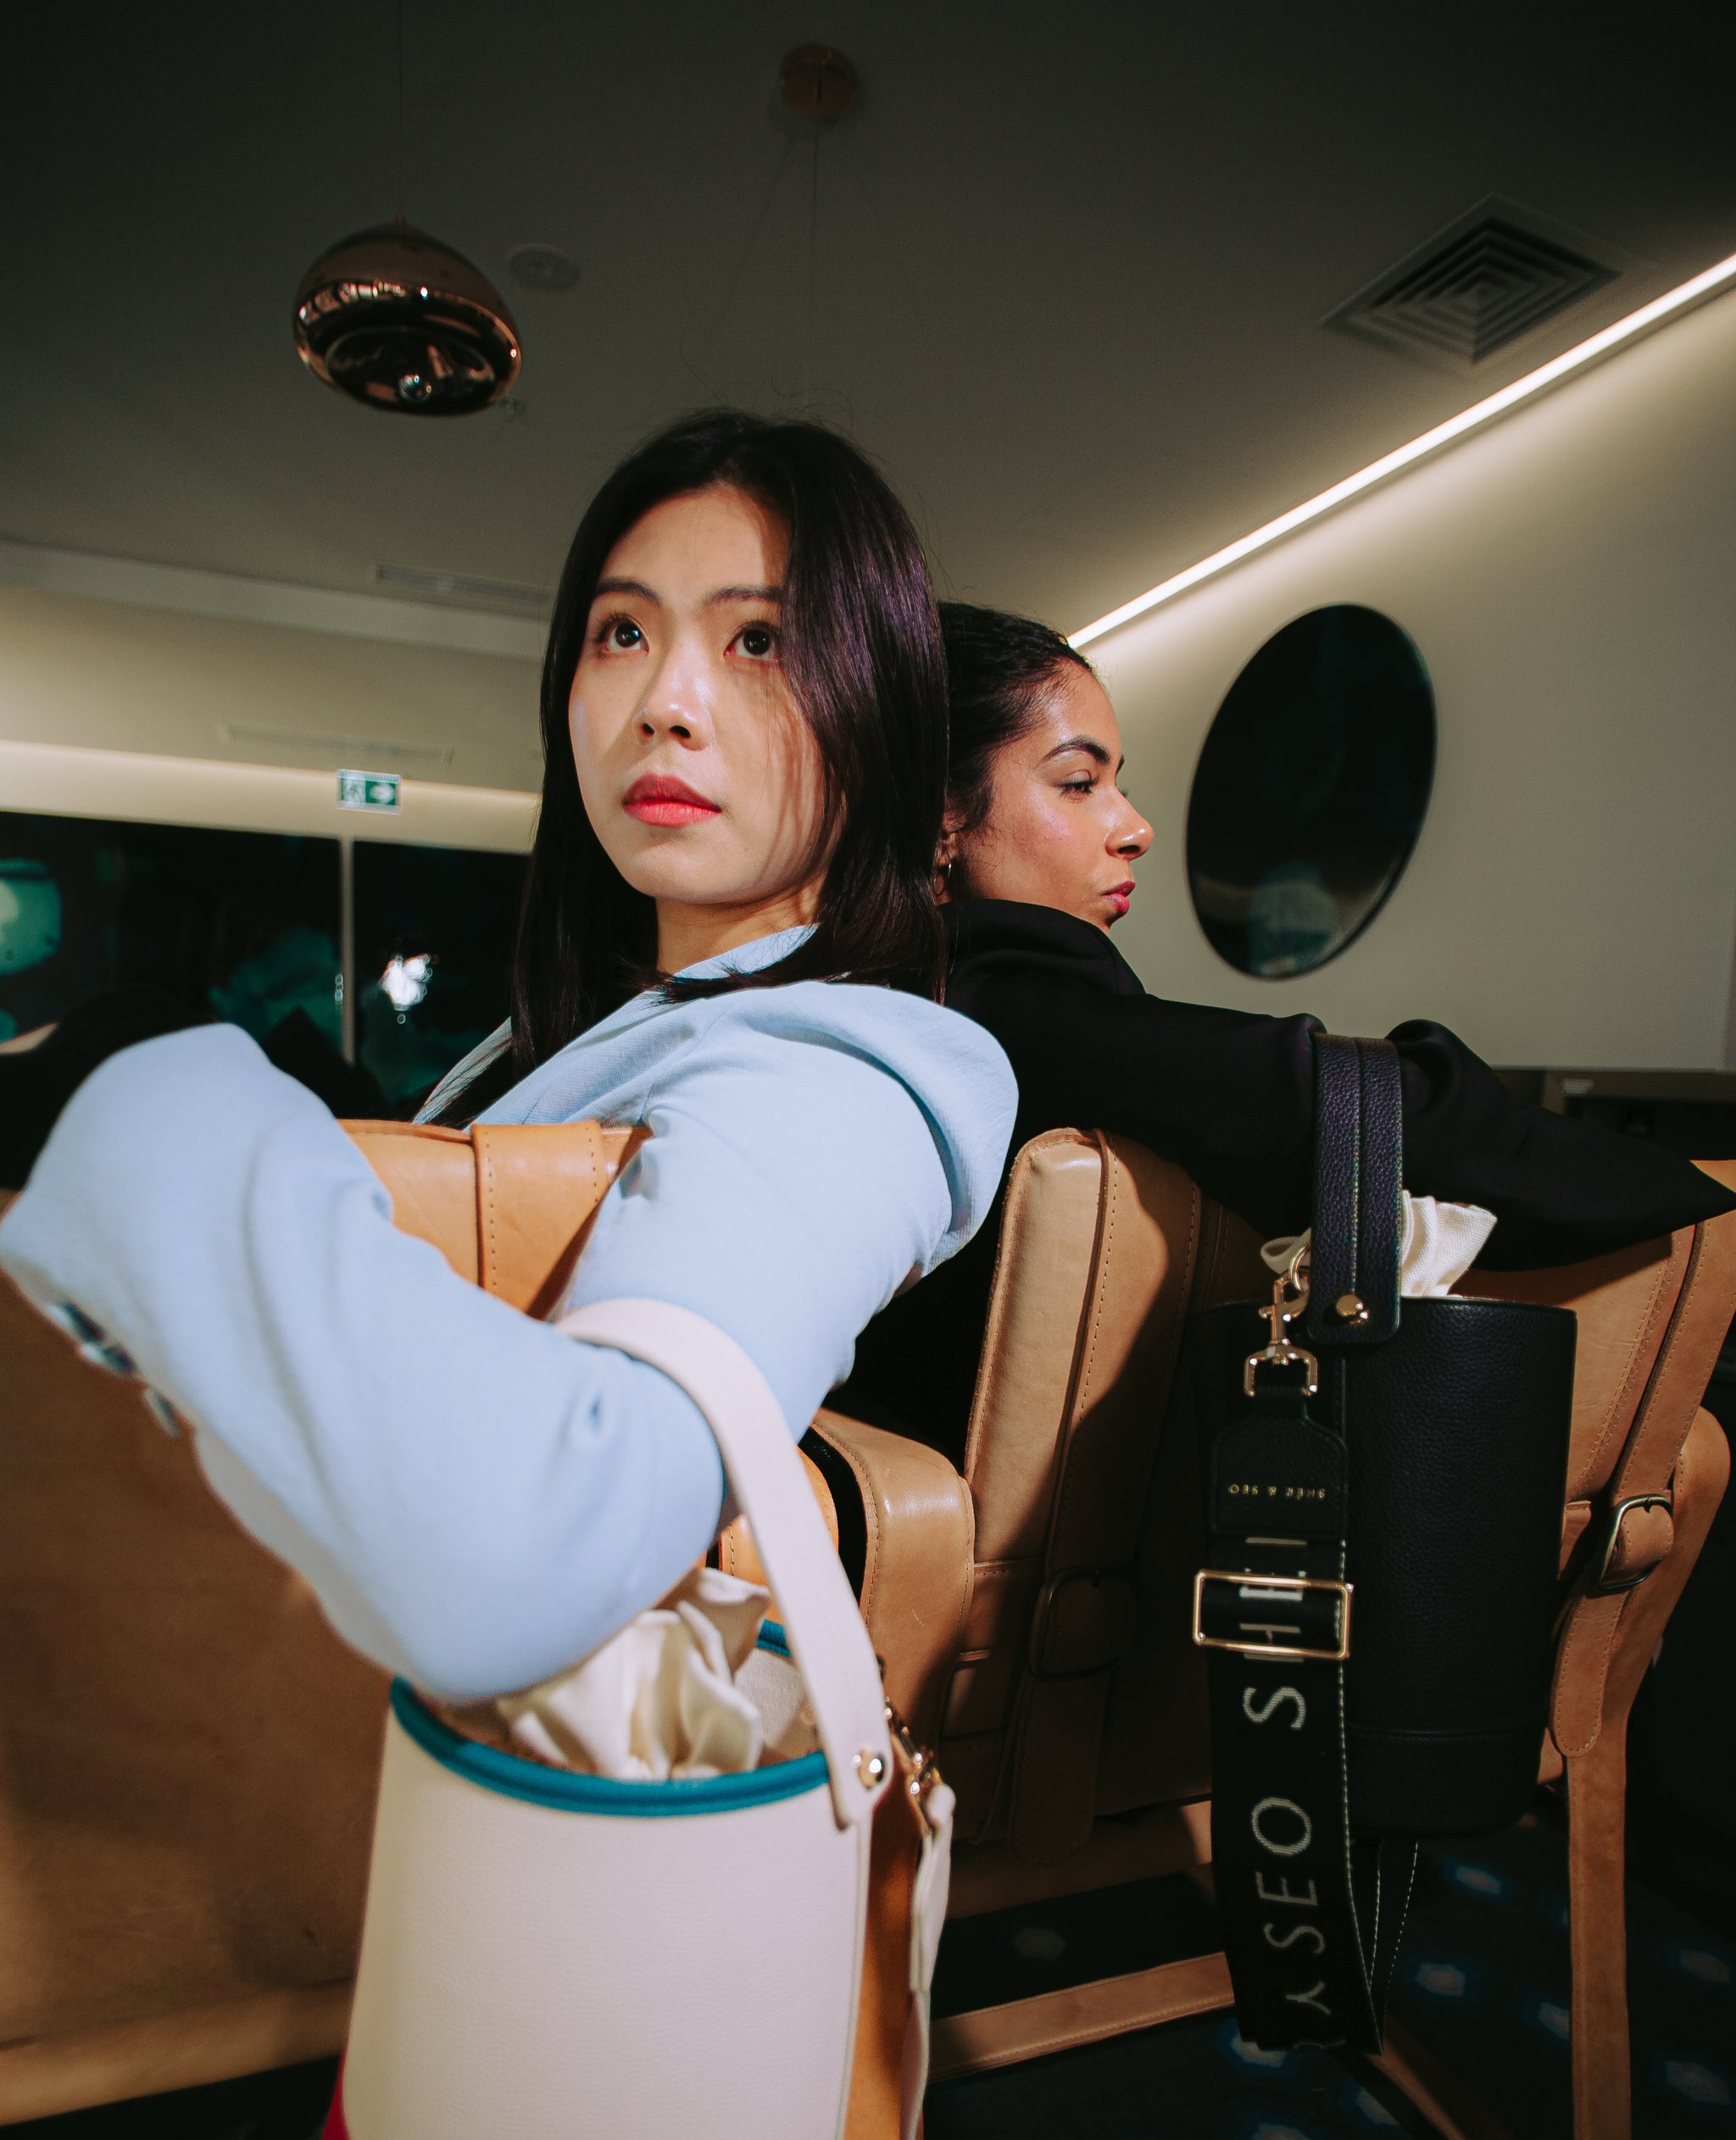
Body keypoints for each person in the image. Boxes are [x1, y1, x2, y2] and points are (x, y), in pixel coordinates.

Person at [0, 415, 1015, 1698]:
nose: (665, 705)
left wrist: (134, 1079)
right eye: (621, 633)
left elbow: (533, 1548)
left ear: (877, 707)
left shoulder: (842, 1068)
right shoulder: (578, 1032)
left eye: (759, 641)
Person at [840, 600, 1736, 1459]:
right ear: (940, 814)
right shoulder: (1002, 1010)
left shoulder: (904, 1004)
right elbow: (1341, 1100)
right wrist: (1702, 1195)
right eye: (1078, 783)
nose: (1135, 828)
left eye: (1119, 784)